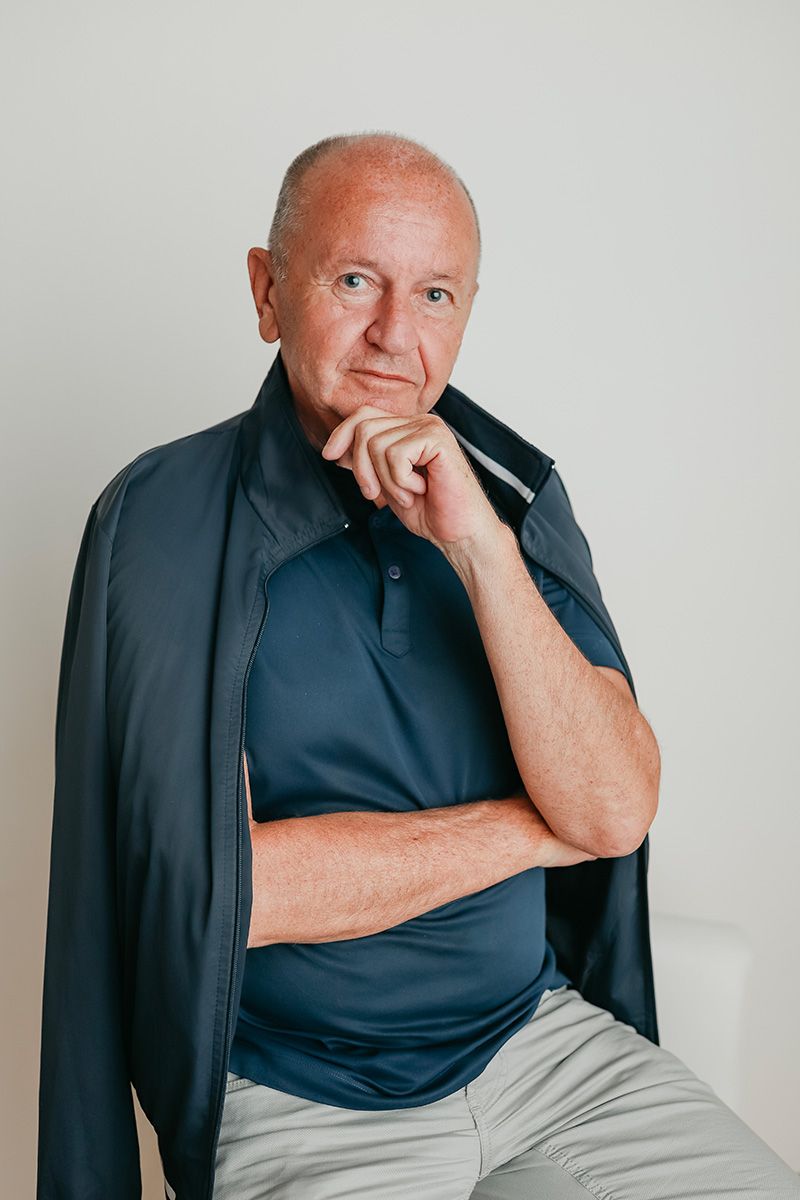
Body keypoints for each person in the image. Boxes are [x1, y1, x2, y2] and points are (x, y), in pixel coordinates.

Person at [37, 132, 800, 1200]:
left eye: (435, 294)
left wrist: (478, 547)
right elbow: (234, 890)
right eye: (354, 280)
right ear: (266, 291)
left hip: (544, 1050)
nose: (396, 334)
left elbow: (616, 805)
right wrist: (534, 830)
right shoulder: (162, 522)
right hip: (307, 1095)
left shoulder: (510, 497)